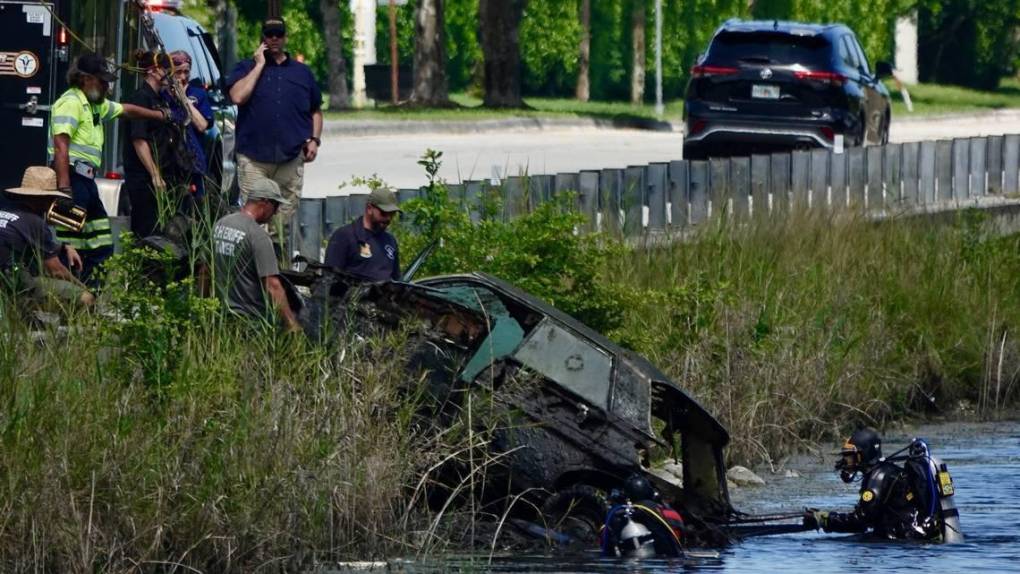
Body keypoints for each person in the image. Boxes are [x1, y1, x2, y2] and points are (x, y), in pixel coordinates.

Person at [48, 52, 168, 282]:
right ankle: (67, 299)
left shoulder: (94, 105)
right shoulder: (71, 103)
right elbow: (61, 147)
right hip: (71, 180)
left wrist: (158, 115)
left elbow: (126, 110)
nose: (106, 86)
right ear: (85, 79)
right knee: (69, 244)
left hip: (87, 183)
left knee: (101, 244)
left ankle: (90, 294)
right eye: (101, 81)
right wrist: (64, 191)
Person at [225, 16, 323, 247]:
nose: (274, 39)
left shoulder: (302, 73)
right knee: (254, 219)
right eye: (269, 34)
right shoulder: (246, 67)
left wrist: (315, 140)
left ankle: (279, 270)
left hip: (290, 158)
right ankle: (252, 272)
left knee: (283, 223)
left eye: (279, 34)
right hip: (254, 157)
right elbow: (237, 97)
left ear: (285, 37)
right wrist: (259, 65)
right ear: (263, 38)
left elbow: (316, 111)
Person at [803, 428, 962, 542]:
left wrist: (825, 519)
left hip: (907, 539)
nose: (846, 460)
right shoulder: (886, 471)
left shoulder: (877, 477)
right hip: (920, 535)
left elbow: (861, 521)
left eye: (849, 456)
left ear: (862, 455)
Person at [212, 178, 301, 332]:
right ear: (265, 202)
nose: (276, 212)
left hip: (221, 317)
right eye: (276, 206)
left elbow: (205, 270)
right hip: (250, 322)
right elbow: (272, 285)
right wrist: (291, 324)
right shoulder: (258, 236)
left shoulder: (221, 224)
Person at [0, 167, 94, 308]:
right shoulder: (34, 221)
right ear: (44, 199)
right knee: (85, 298)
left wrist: (63, 246)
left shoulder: (5, 210)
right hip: (10, 283)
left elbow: (24, 240)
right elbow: (56, 271)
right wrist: (83, 287)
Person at [324, 187, 401, 281]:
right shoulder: (345, 236)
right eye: (383, 213)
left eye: (392, 214)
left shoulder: (390, 241)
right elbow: (329, 279)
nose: (388, 218)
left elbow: (396, 279)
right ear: (369, 208)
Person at [168, 50, 214, 200]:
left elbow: (202, 125)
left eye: (186, 72)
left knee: (195, 207)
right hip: (169, 161)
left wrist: (184, 98)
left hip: (194, 162)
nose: (182, 77)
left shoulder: (198, 94)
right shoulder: (164, 93)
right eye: (178, 72)